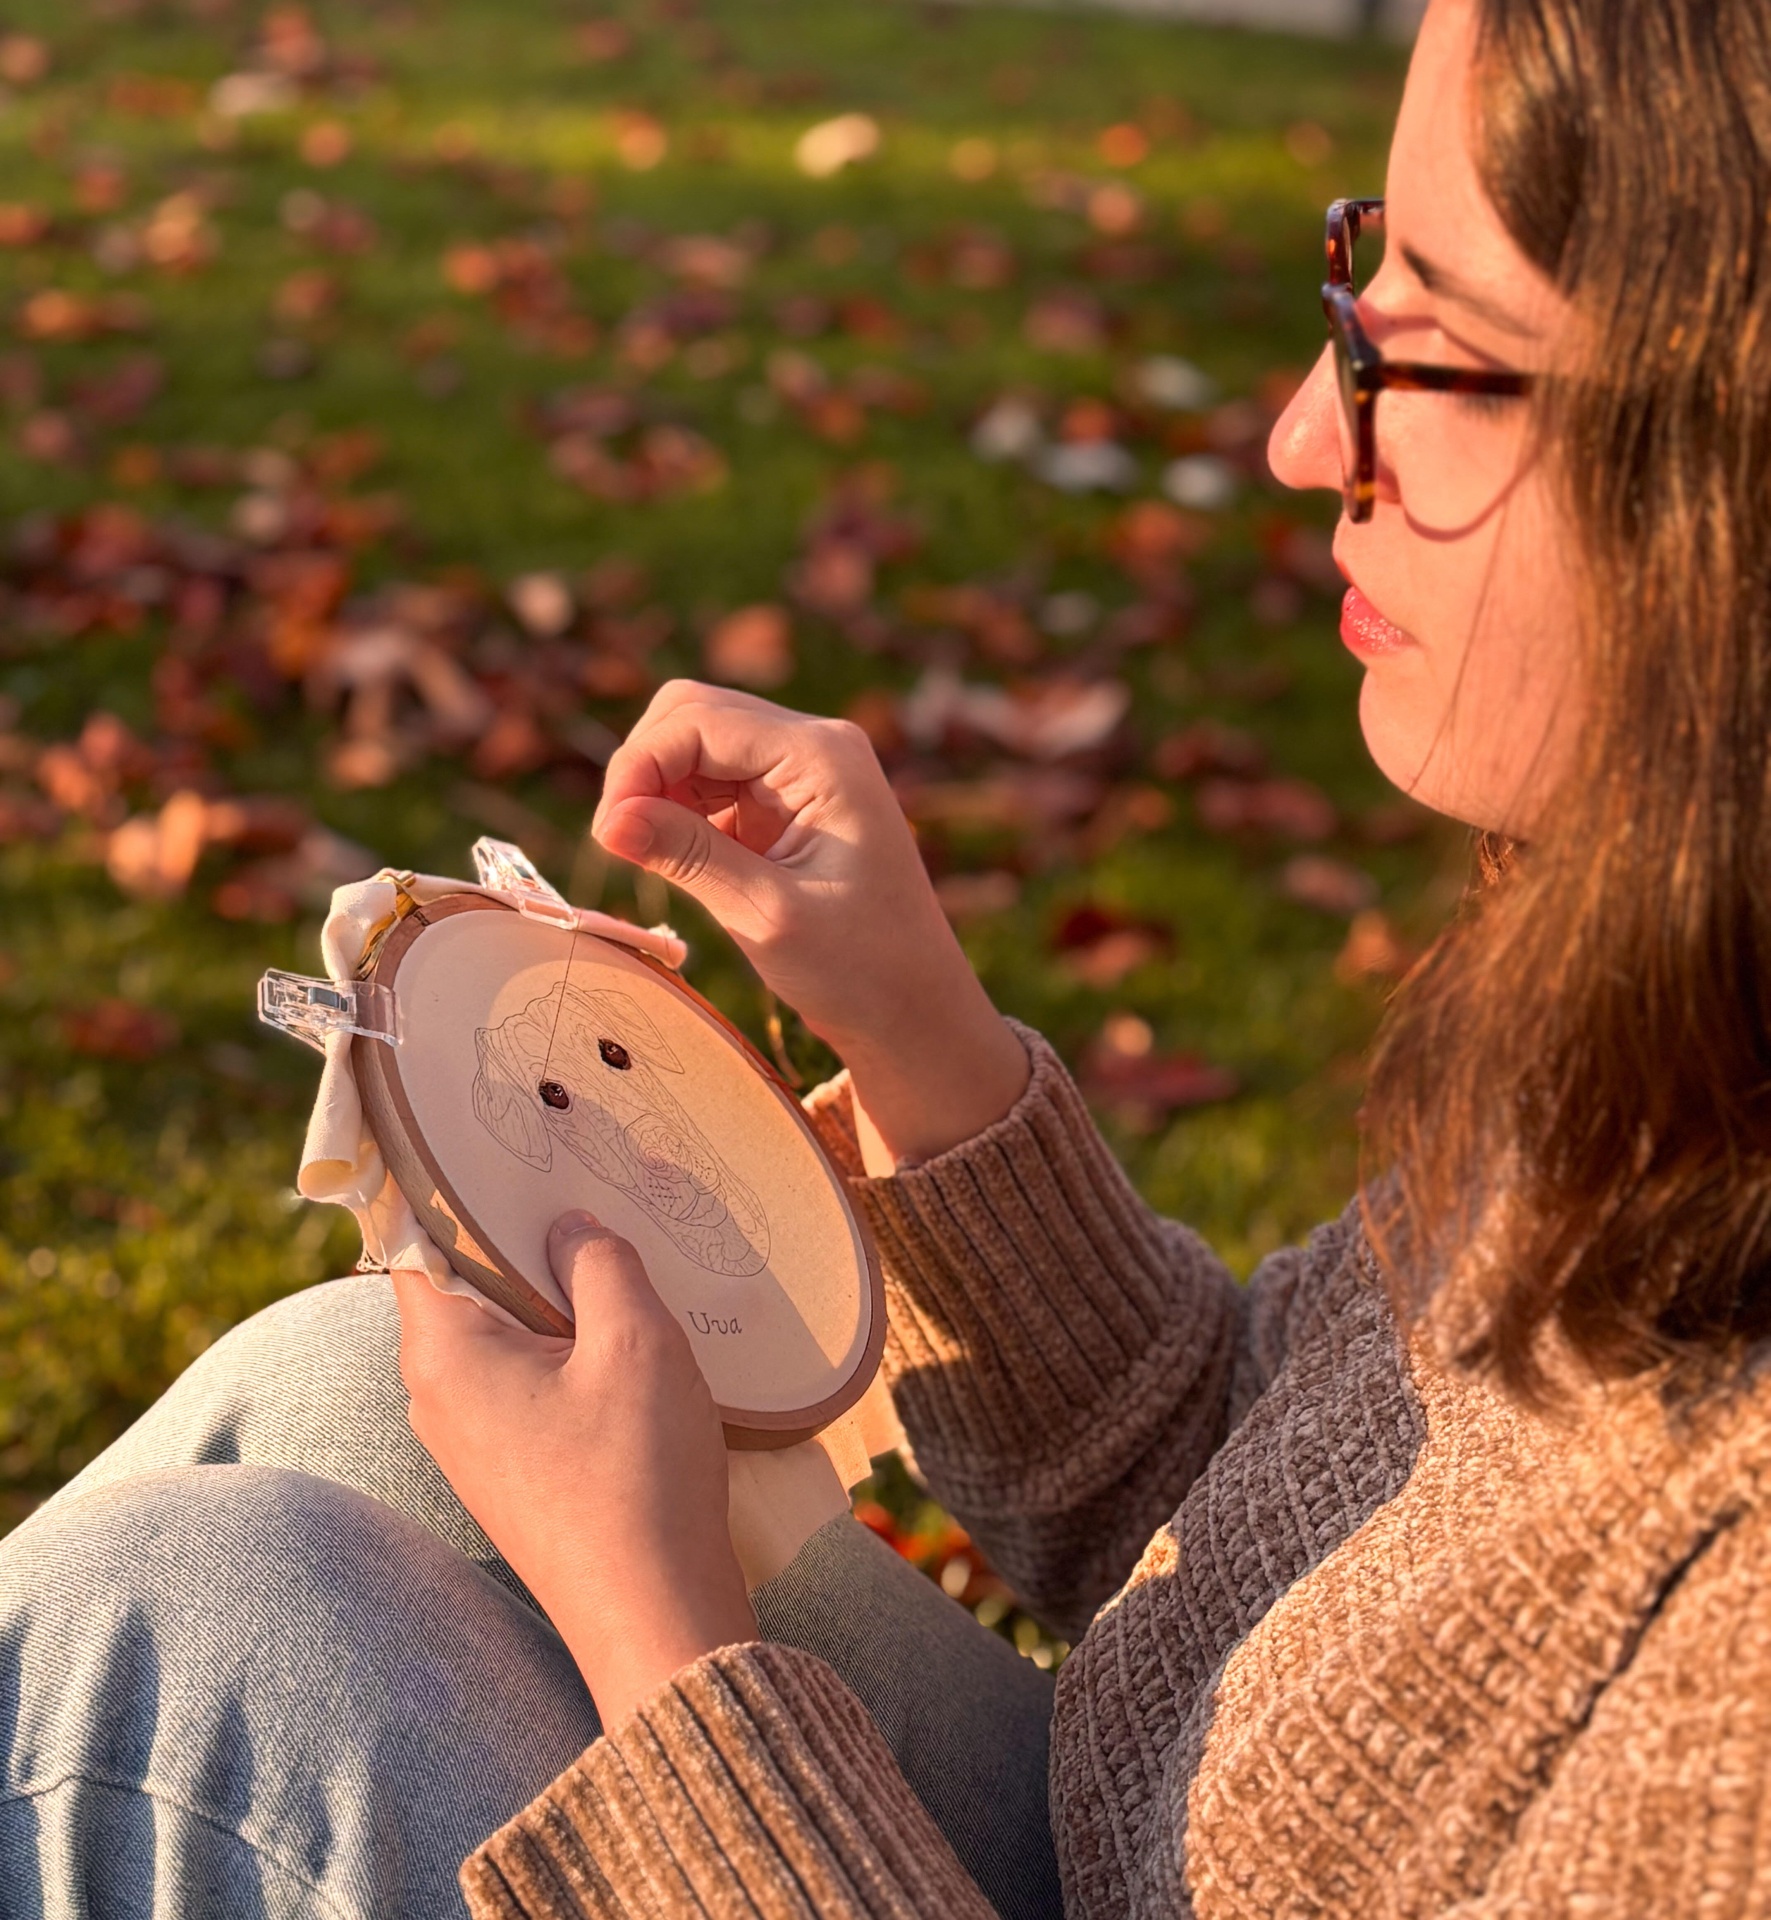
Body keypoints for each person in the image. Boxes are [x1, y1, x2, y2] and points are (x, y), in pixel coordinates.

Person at [5, 0, 1770, 1911]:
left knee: (183, 1641)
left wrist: (662, 1639)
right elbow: (1272, 1520)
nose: (1293, 436)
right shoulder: (1672, 1025)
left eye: (1417, 353)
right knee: (358, 1387)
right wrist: (921, 1044)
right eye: (1362, 282)